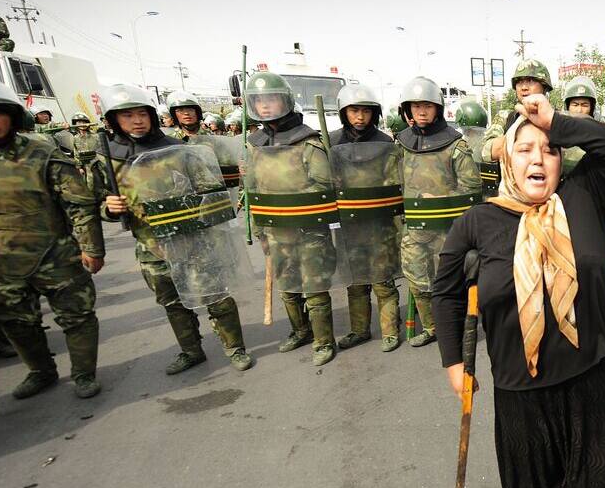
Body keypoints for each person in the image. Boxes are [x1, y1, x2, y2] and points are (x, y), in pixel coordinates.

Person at [433, 93, 605, 488]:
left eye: (549, 150)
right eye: (525, 148)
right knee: (531, 451)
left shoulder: (584, 196)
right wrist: (455, 364)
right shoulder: (479, 220)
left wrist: (556, 122)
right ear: (506, 160)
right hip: (520, 369)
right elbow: (447, 292)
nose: (538, 158)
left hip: (589, 355)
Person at [0, 77, 103, 399]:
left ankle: (83, 373)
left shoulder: (43, 153)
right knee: (12, 320)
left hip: (54, 254)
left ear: (13, 115)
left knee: (77, 315)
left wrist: (91, 248)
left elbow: (79, 204)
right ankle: (40, 370)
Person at [99, 84, 253, 372]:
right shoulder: (108, 158)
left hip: (193, 239)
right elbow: (96, 200)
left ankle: (235, 348)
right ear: (113, 120)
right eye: (127, 115)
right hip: (151, 244)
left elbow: (211, 190)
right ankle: (191, 350)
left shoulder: (178, 149)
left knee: (216, 295)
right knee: (172, 302)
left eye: (141, 113)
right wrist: (109, 208)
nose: (136, 120)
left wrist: (194, 206)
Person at [244, 71, 339, 365]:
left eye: (271, 98)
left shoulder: (306, 141)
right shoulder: (253, 144)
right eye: (259, 101)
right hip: (275, 230)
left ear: (284, 100)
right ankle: (301, 331)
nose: (265, 106)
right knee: (287, 286)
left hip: (308, 229)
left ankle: (323, 341)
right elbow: (250, 191)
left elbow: (323, 187)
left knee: (314, 287)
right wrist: (259, 231)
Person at [396, 76, 481, 348]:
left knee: (450, 283)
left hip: (448, 228)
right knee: (417, 280)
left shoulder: (455, 146)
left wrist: (442, 198)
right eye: (416, 106)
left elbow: (471, 188)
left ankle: (454, 328)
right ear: (407, 110)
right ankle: (431, 327)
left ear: (438, 108)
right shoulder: (401, 144)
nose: (421, 111)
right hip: (414, 228)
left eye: (428, 106)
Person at [328, 82, 403, 352]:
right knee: (356, 281)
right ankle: (359, 330)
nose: (360, 117)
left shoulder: (384, 143)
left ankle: (390, 331)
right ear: (343, 112)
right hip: (349, 224)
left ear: (374, 113)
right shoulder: (331, 142)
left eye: (366, 111)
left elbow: (394, 179)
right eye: (354, 110)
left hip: (379, 221)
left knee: (383, 279)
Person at [482, 59, 552, 163]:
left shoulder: (556, 119)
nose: (523, 87)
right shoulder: (505, 117)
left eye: (530, 81)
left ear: (544, 87)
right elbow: (486, 152)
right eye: (519, 82)